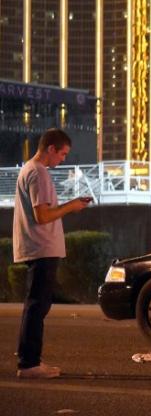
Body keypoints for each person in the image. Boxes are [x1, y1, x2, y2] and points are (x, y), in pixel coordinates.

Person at [13, 128, 91, 379]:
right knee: (37, 306)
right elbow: (43, 215)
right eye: (63, 154)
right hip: (41, 247)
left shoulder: (29, 169)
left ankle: (31, 361)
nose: (63, 159)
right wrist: (72, 206)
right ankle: (29, 363)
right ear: (51, 149)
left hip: (35, 246)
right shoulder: (39, 173)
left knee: (36, 305)